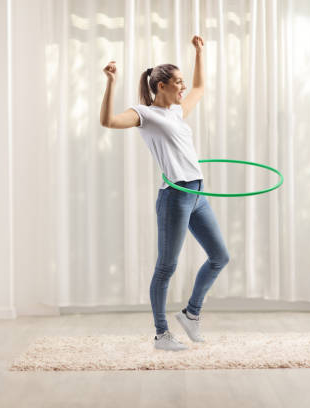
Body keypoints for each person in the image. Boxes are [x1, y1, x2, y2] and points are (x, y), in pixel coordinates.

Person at [100, 35, 230, 351]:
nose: (183, 88)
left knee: (219, 257)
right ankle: (161, 334)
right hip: (174, 197)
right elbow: (107, 121)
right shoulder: (145, 115)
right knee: (166, 267)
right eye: (177, 83)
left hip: (198, 194)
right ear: (161, 86)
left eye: (182, 82)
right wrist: (111, 82)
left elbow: (199, 88)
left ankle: (191, 313)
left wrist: (200, 52)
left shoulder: (175, 112)